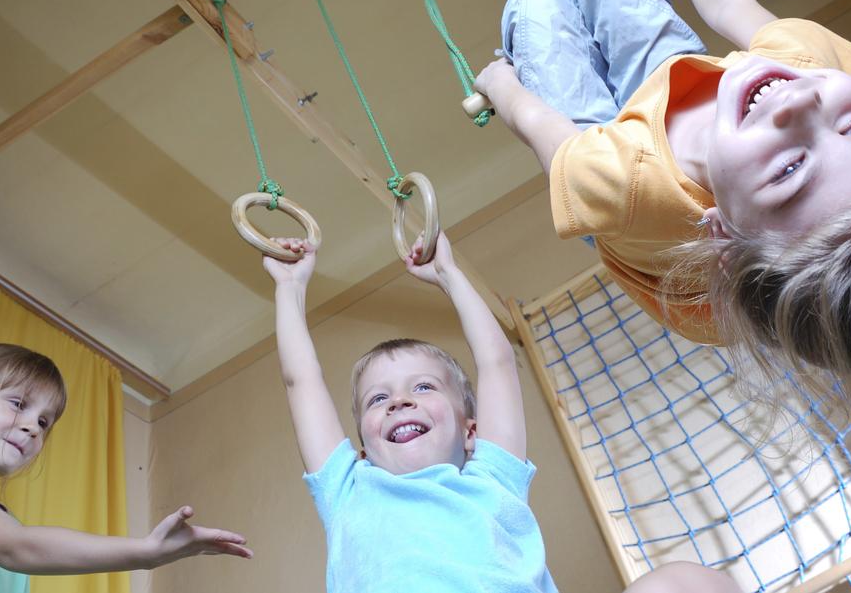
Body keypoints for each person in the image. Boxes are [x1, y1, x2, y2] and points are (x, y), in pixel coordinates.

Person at [473, 0, 851, 592]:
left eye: (790, 169)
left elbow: (544, 128)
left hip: (628, 177)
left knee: (531, 6)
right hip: (685, 88)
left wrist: (501, 85)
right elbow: (737, 8)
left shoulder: (616, 179)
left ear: (725, 234)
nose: (800, 107)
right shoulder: (801, 77)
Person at [263, 231, 742, 593]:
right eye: (377, 399)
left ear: (472, 431)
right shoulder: (349, 492)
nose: (398, 402)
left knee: (684, 582)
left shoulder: (490, 479)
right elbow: (300, 381)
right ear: (362, 448)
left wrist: (450, 274)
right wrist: (290, 288)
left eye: (423, 387)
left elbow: (496, 364)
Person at [0, 342, 252, 591]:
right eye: (18, 404)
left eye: (44, 422)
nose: (33, 427)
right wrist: (145, 552)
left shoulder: (6, 524)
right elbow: (16, 547)